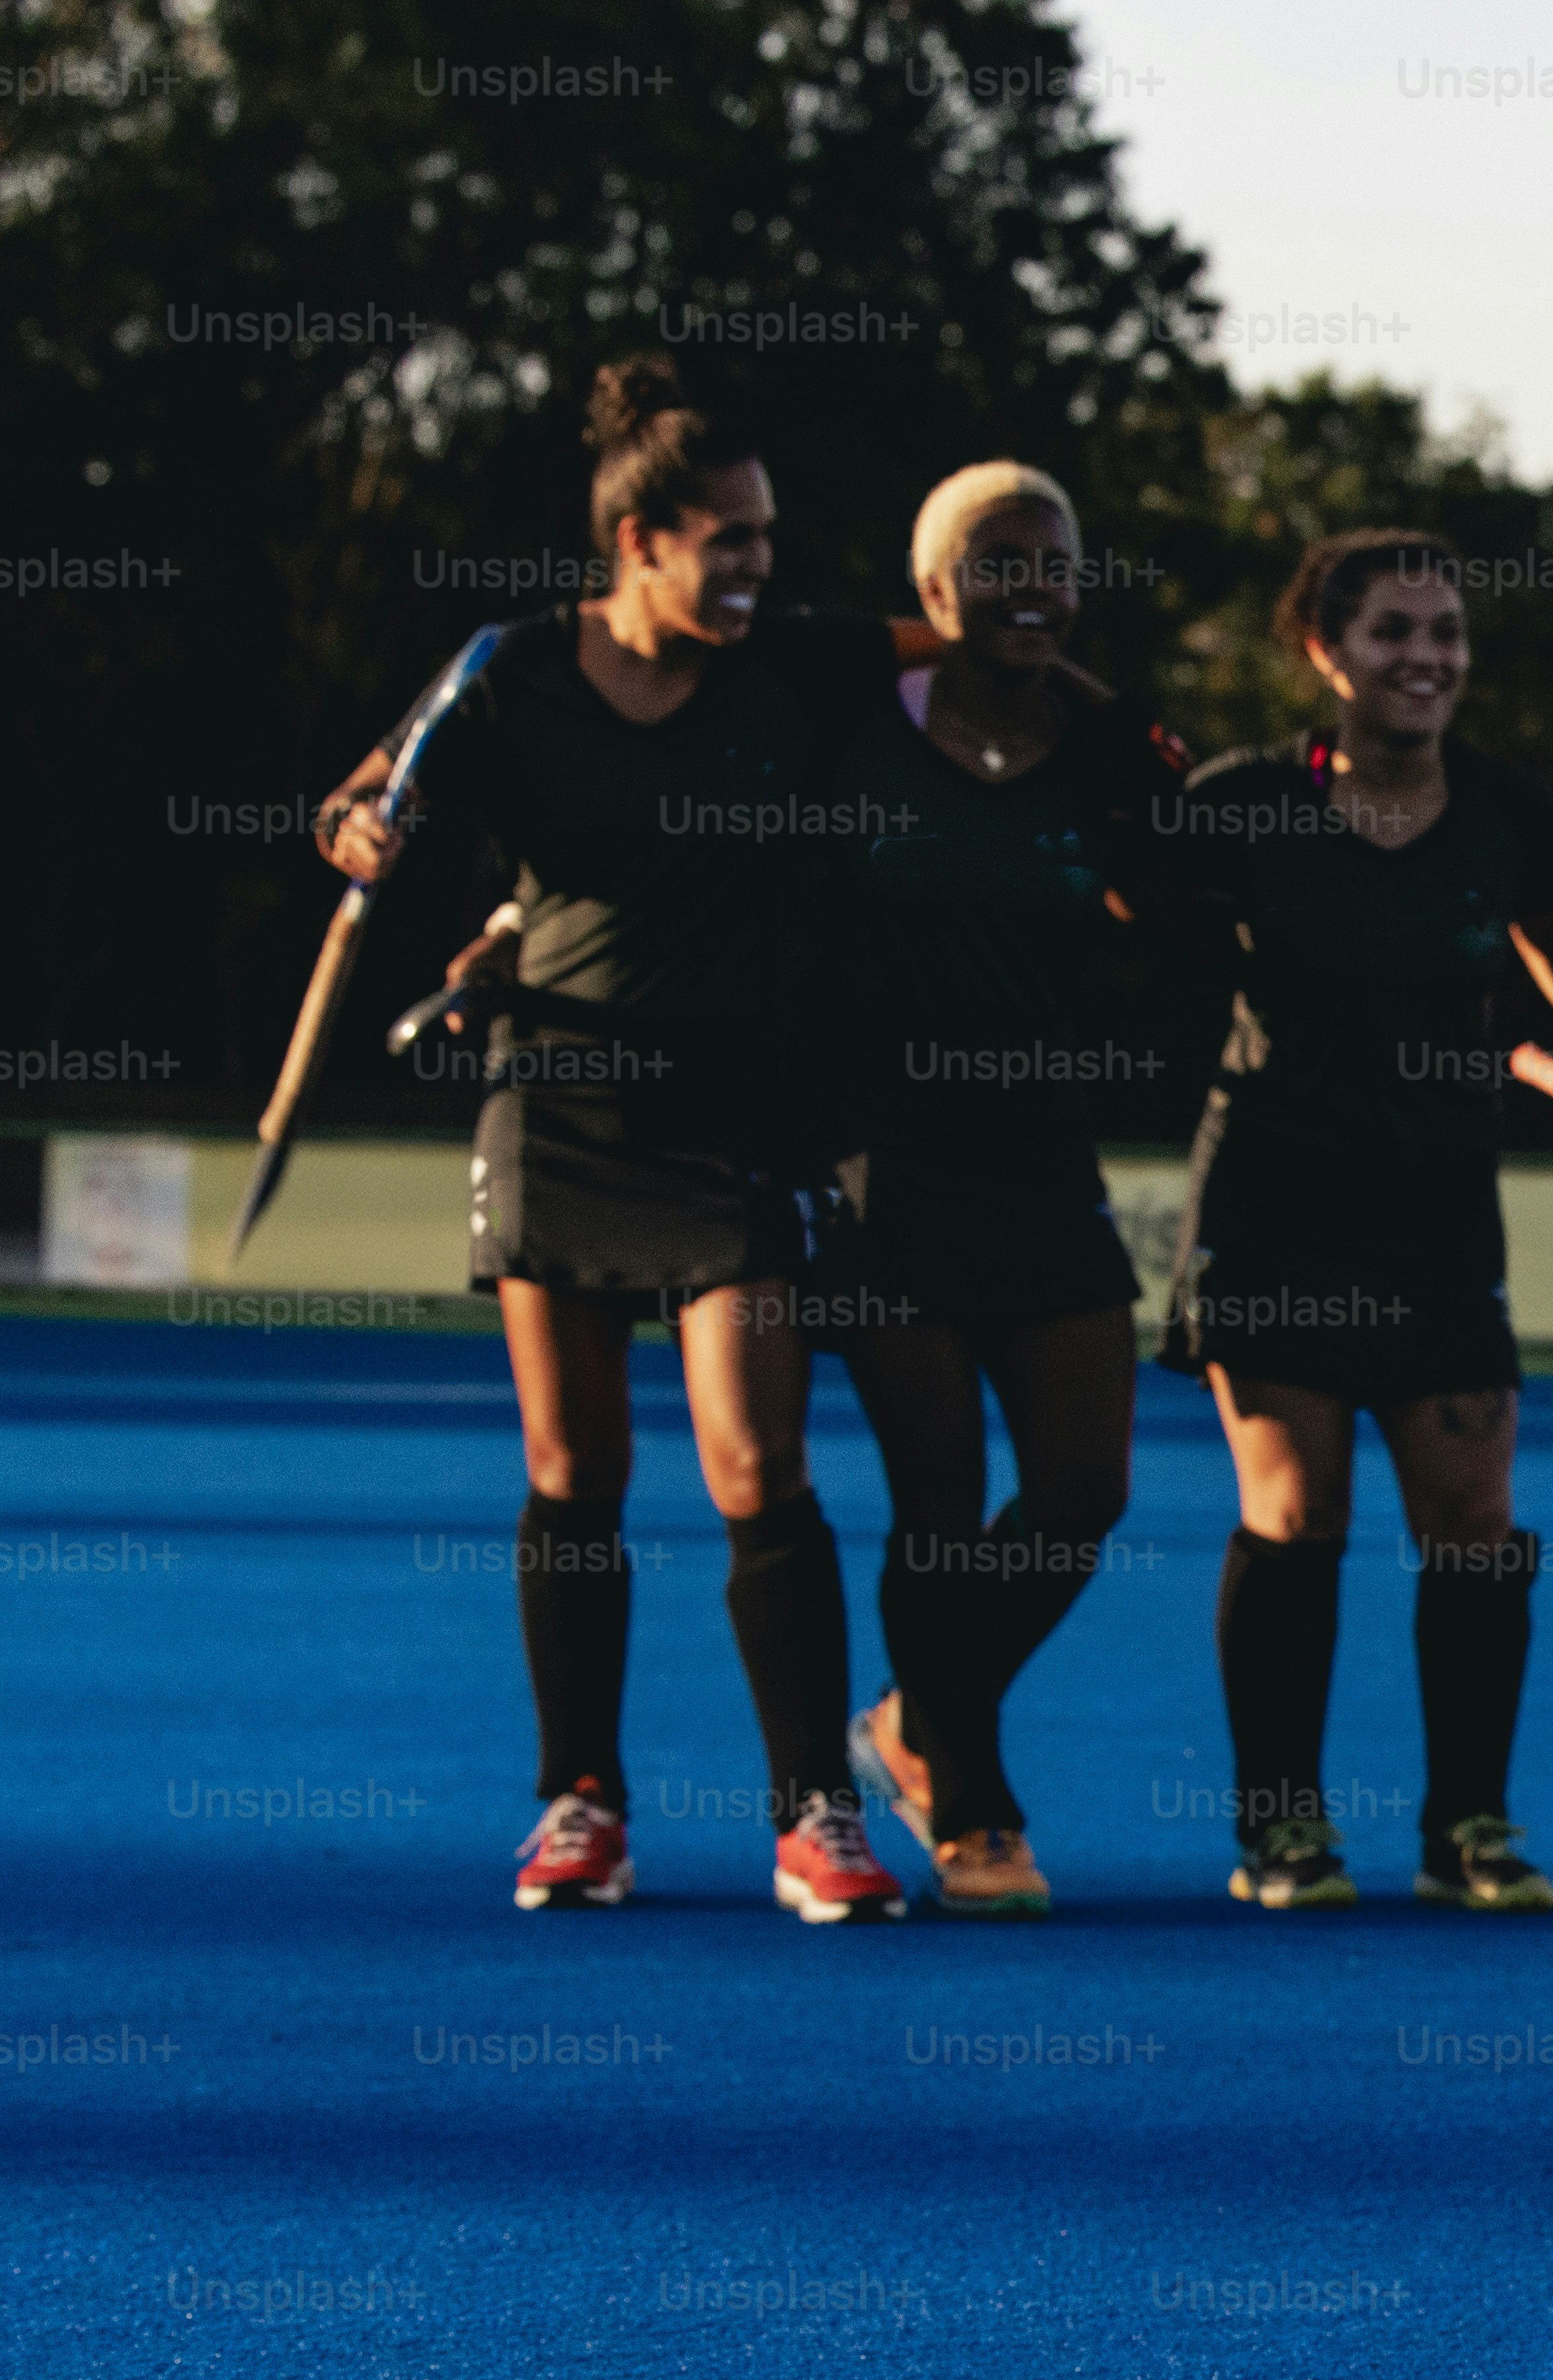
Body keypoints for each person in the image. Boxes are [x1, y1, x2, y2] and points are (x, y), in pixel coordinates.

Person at [320, 359, 914, 1920]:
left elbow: (983, 644)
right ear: (639, 539)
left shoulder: (801, 667)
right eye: (729, 539)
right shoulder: (509, 671)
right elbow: (366, 800)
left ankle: (814, 1814)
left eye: (768, 537)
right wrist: (364, 835)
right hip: (556, 1103)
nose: (758, 566)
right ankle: (581, 1802)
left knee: (754, 1459)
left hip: (736, 1122)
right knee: (573, 1467)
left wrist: (1096, 699)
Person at [1152, 529, 1553, 1915]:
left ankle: (1469, 1829)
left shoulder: (1505, 810)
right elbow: (1122, 921)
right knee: (1296, 1511)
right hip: (1275, 1192)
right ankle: (1282, 1831)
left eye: (1446, 631)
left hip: (1437, 1206)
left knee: (1475, 1521)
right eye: (1393, 631)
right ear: (1326, 650)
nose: (1425, 657)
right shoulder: (1242, 801)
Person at [804, 460, 1193, 1918]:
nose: (1034, 584)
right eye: (999, 561)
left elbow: (1201, 904)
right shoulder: (847, 727)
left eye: (1057, 563)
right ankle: (972, 1805)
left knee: (1085, 1485)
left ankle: (911, 1716)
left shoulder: (1107, 758)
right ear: (931, 589)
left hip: (1040, 1157)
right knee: (939, 1505)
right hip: (877, 1158)